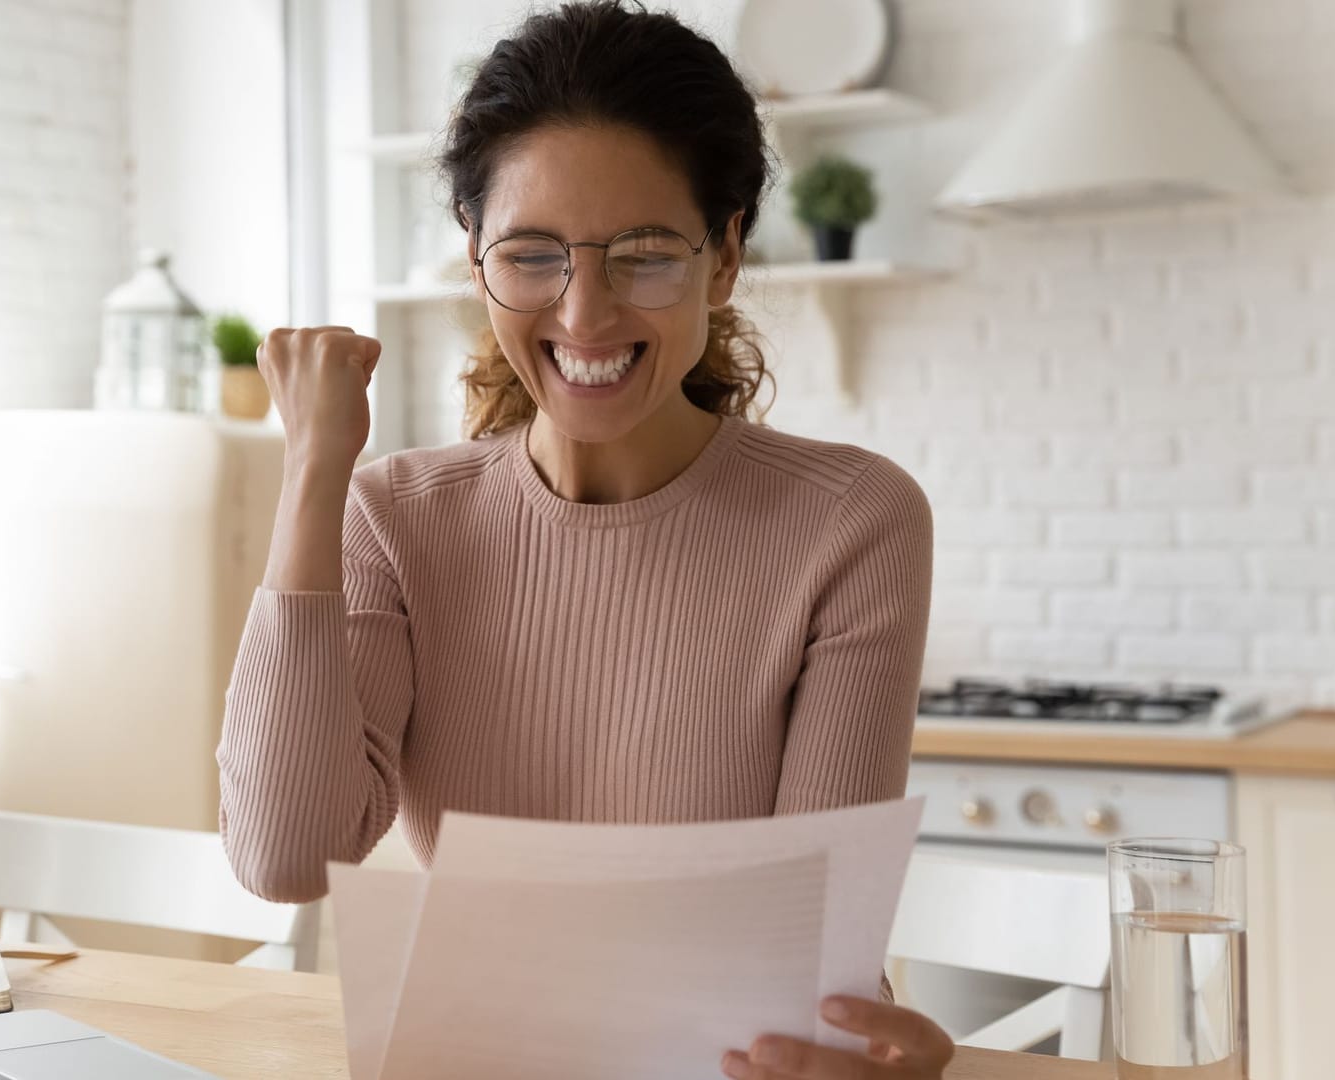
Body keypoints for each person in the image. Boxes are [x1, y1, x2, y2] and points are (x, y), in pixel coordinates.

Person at [215, 2, 949, 1076]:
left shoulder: (851, 521)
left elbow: (809, 953)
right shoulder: (396, 517)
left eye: (646, 256)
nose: (586, 312)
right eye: (533, 256)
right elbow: (284, 857)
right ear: (477, 262)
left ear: (727, 255)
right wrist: (313, 473)